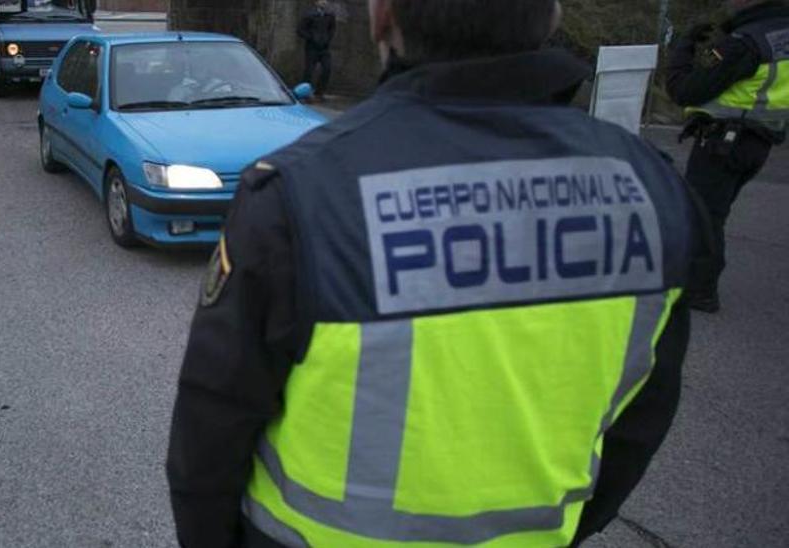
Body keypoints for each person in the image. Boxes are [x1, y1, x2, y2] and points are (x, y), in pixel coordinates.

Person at [166, 0, 699, 546]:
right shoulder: (651, 190)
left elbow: (210, 437)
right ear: (553, 15)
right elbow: (638, 427)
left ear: (382, 17)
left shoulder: (300, 193)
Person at [665, 0, 788, 313]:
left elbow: (685, 90)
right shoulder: (781, 35)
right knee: (713, 213)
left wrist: (683, 49)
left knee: (703, 215)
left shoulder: (746, 43)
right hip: (759, 139)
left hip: (725, 139)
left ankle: (699, 290)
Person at [297, 0, 336, 99]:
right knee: (309, 71)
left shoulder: (329, 15)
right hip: (312, 47)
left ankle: (319, 92)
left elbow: (332, 29)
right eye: (321, 1)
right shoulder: (309, 15)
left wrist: (328, 38)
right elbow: (300, 30)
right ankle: (305, 93)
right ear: (316, 2)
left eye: (325, 1)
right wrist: (311, 37)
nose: (324, 3)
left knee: (327, 69)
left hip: (324, 47)